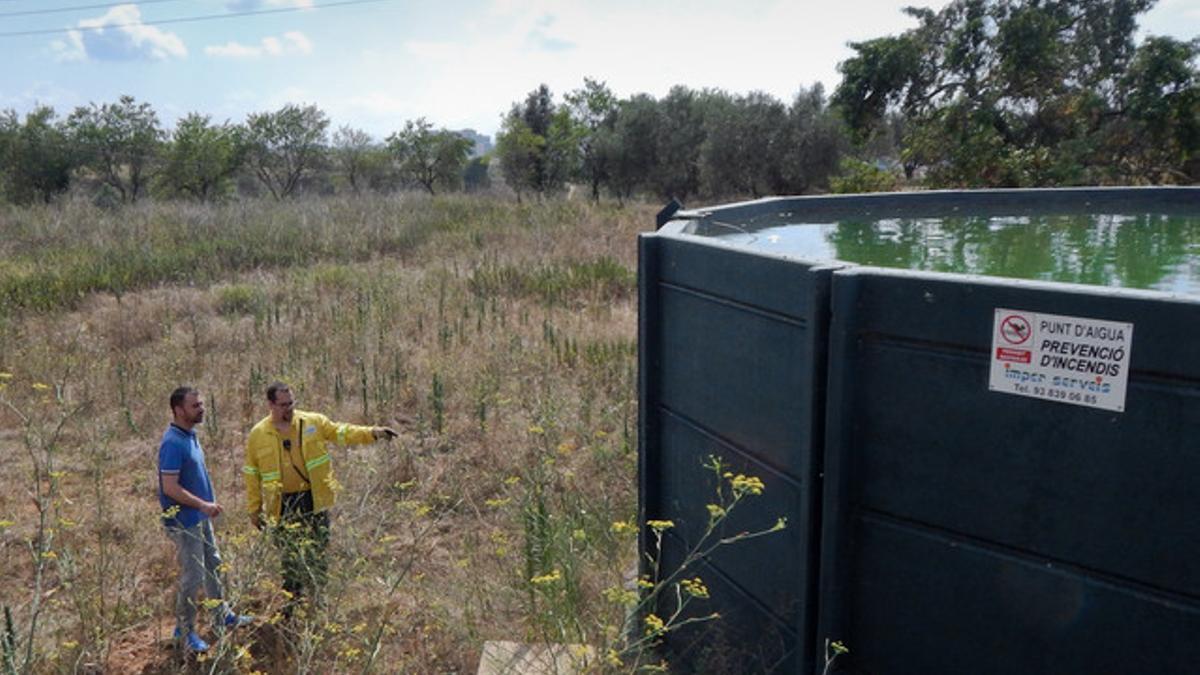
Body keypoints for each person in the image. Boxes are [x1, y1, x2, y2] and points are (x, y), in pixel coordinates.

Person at [243, 381, 397, 603]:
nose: (289, 409)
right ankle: (292, 602)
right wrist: (254, 510)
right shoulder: (258, 434)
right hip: (281, 504)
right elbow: (251, 473)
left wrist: (373, 433)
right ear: (270, 405)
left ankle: (319, 598)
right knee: (290, 556)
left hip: (313, 498)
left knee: (318, 549)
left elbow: (341, 432)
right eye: (283, 405)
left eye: (291, 403)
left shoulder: (311, 422)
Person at [158, 386, 253, 654]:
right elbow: (169, 487)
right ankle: (185, 632)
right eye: (195, 406)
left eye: (201, 404)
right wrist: (202, 504)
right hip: (184, 520)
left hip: (200, 517)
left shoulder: (190, 435)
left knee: (213, 564)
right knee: (193, 575)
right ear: (179, 410)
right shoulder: (173, 443)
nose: (202, 409)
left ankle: (221, 615)